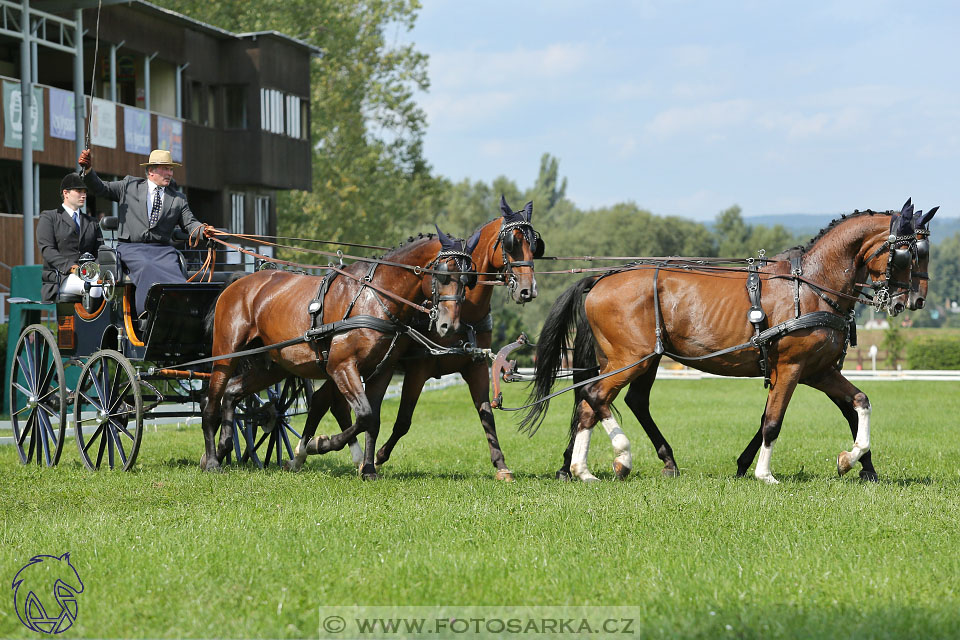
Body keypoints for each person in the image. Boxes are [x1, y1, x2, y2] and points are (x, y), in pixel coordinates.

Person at [77, 148, 213, 315]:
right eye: (165, 169)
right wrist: (89, 170)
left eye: (171, 169)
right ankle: (147, 312)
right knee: (147, 265)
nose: (169, 173)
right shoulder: (129, 186)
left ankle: (180, 311)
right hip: (131, 248)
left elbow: (191, 224)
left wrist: (204, 231)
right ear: (151, 171)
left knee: (176, 275)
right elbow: (100, 188)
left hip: (162, 250)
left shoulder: (178, 199)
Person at [36, 173, 104, 303]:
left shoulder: (92, 222)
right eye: (79, 191)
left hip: (89, 274)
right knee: (94, 286)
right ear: (66, 193)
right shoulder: (49, 217)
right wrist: (72, 268)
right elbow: (47, 250)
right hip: (61, 277)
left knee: (111, 287)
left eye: (85, 191)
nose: (83, 195)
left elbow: (100, 250)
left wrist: (96, 268)